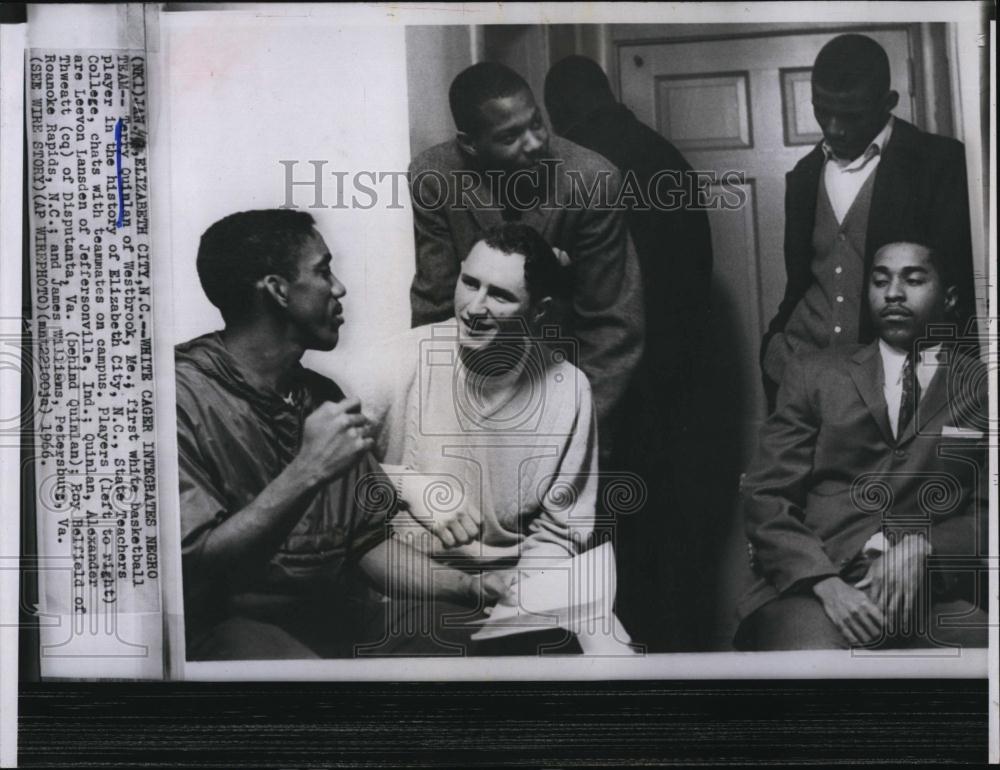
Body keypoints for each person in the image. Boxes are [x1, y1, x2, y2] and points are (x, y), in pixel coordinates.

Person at [176, 209, 506, 660]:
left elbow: (365, 544)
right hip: (228, 632)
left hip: (334, 618)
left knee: (506, 641)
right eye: (323, 270)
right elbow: (193, 566)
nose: (339, 288)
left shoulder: (322, 395)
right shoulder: (178, 397)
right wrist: (308, 469)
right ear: (277, 290)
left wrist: (473, 586)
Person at [360, 223, 620, 654]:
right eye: (469, 283)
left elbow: (559, 529)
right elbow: (322, 486)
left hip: (513, 592)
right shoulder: (392, 363)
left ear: (539, 310)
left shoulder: (568, 388)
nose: (474, 307)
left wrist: (523, 600)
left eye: (500, 295)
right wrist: (407, 483)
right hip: (415, 587)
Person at [737, 241, 987, 651]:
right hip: (811, 591)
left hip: (927, 597)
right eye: (880, 280)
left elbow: (988, 511)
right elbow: (766, 494)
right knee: (825, 675)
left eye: (913, 279)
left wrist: (927, 547)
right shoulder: (814, 374)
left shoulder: (981, 388)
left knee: (984, 659)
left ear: (951, 298)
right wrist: (825, 584)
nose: (893, 293)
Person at [544, 54, 715, 651]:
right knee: (664, 546)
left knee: (597, 549)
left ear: (555, 110)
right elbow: (695, 286)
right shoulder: (668, 157)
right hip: (674, 389)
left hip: (599, 388)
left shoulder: (570, 171)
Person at [408, 61, 644, 459]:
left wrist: (573, 433)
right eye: (511, 135)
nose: (535, 142)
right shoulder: (432, 177)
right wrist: (446, 426)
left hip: (568, 387)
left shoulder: (593, 181)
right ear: (469, 144)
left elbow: (613, 326)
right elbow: (434, 309)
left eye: (537, 123)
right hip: (473, 397)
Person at [760, 33, 975, 411]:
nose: (834, 127)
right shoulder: (803, 177)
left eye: (851, 115)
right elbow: (801, 284)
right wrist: (775, 349)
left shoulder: (940, 164)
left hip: (894, 390)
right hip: (802, 379)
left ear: (887, 103)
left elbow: (959, 294)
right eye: (821, 110)